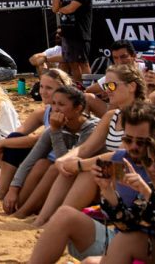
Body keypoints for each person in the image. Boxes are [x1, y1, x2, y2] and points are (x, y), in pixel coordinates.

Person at [27, 127, 155, 263]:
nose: (152, 168)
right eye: (149, 161)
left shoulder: (150, 188)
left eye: (141, 142)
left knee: (124, 242)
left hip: (154, 251)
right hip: (137, 248)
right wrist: (107, 190)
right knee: (65, 214)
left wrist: (147, 193)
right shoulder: (151, 183)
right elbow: (126, 225)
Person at [34, 68, 153, 226]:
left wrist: (79, 164)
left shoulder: (143, 117)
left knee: (89, 171)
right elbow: (85, 148)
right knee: (67, 168)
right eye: (105, 86)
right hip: (113, 172)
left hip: (135, 174)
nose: (107, 91)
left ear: (131, 87)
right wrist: (64, 160)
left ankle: (57, 222)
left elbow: (122, 155)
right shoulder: (112, 115)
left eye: (111, 86)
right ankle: (42, 220)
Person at [9, 85, 99, 219]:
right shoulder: (55, 126)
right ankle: (22, 208)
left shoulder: (91, 129)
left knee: (53, 169)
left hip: (88, 181)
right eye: (53, 103)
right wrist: (13, 189)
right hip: (66, 179)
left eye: (61, 104)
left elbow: (66, 163)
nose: (55, 109)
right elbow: (30, 160)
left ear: (78, 108)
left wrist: (56, 130)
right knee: (41, 163)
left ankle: (24, 212)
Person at [0, 68, 75, 213]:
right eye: (41, 86)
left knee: (38, 163)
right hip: (44, 158)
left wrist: (0, 144)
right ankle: (3, 192)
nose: (43, 91)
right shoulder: (44, 111)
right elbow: (17, 134)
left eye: (49, 88)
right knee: (13, 141)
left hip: (56, 162)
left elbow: (37, 141)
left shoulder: (69, 113)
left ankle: (15, 200)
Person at [51, 0, 93, 83]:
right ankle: (79, 86)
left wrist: (60, 9)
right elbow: (54, 9)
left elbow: (70, 8)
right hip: (67, 32)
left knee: (83, 62)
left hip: (80, 32)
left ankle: (88, 87)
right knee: (72, 62)